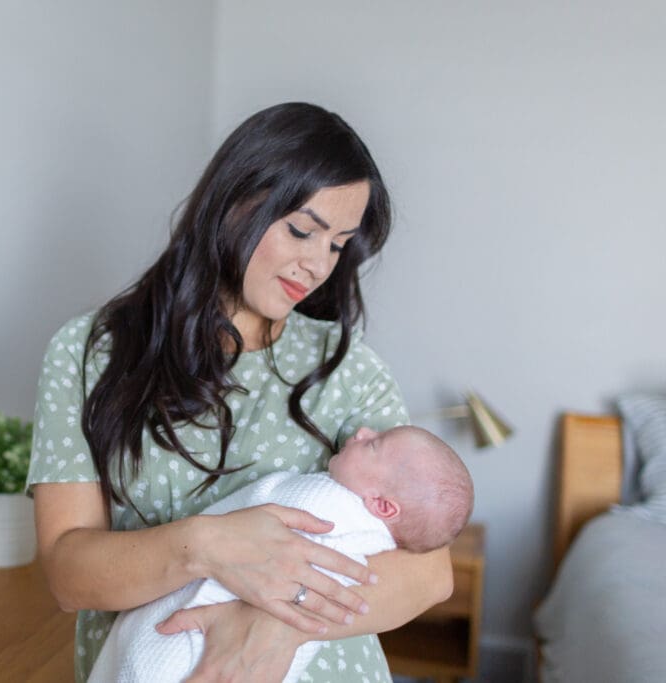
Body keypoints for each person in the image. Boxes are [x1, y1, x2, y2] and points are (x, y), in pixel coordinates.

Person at [28, 102, 454, 683]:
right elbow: (67, 575)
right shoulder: (89, 354)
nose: (316, 265)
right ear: (234, 199)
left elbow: (431, 576)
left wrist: (276, 625)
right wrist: (207, 545)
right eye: (302, 230)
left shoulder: (348, 367)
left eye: (337, 245)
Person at [88, 425, 474, 683]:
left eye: (374, 444)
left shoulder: (332, 509)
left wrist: (283, 624)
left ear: (383, 507)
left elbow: (270, 503)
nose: (362, 431)